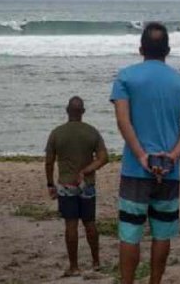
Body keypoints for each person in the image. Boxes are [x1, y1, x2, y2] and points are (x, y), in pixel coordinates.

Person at [111, 22, 180, 284]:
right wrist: (173, 155)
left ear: (141, 49)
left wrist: (140, 155)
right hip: (168, 170)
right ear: (168, 51)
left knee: (130, 233)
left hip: (135, 169)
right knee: (162, 233)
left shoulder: (126, 78)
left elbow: (123, 121)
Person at [45, 96, 109, 276]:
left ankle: (74, 266)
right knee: (90, 223)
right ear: (83, 112)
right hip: (86, 184)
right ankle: (96, 262)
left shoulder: (57, 133)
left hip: (66, 185)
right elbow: (104, 158)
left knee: (71, 225)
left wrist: (50, 184)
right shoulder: (92, 132)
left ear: (67, 111)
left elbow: (49, 162)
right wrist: (87, 169)